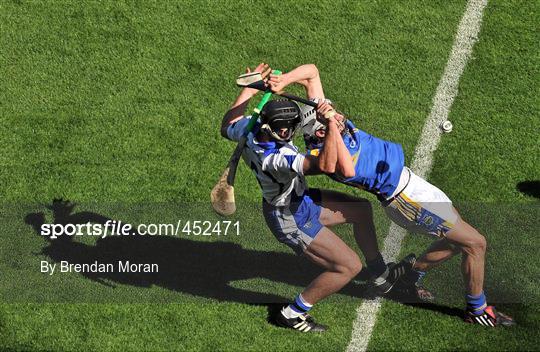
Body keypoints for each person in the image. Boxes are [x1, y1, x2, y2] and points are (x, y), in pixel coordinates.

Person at [220, 63, 410, 332]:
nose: (297, 130)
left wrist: (250, 90)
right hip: (289, 216)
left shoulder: (251, 130)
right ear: (280, 131)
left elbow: (227, 125)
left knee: (360, 210)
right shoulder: (279, 158)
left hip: (300, 199)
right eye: (292, 128)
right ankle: (293, 312)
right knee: (348, 267)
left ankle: (380, 273)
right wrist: (331, 123)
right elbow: (327, 165)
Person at [298, 95, 515, 327]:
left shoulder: (336, 134)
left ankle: (408, 274)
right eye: (333, 118)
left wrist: (281, 82)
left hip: (414, 186)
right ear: (322, 133)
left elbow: (311, 74)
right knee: (475, 243)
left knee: (456, 240)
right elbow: (344, 167)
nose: (339, 117)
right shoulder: (330, 156)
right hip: (408, 200)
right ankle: (477, 308)